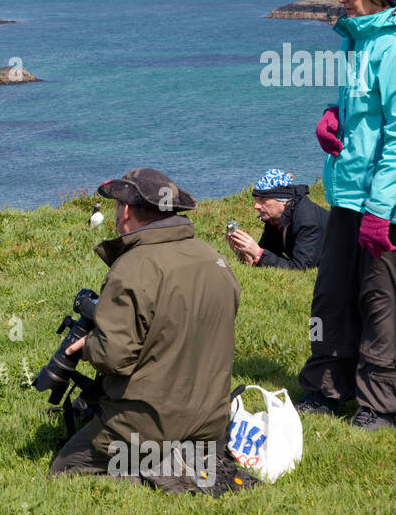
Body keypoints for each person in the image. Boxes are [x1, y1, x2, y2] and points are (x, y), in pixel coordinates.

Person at [297, 0, 396, 431]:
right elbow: (367, 113)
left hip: (391, 207)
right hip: (350, 196)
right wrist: (332, 117)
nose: (341, 0)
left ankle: (381, 404)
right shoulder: (360, 42)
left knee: (383, 303)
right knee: (332, 295)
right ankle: (326, 386)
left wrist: (381, 210)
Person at [49, 168, 253, 493]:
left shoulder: (133, 267)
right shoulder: (214, 260)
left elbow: (113, 356)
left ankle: (165, 469)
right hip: (212, 420)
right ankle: (194, 459)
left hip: (150, 424)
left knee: (66, 469)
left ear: (126, 211)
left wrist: (88, 346)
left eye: (117, 206)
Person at [227, 169, 330, 270]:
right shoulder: (275, 218)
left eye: (263, 200)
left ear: (283, 201)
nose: (256, 206)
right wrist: (246, 254)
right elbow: (270, 250)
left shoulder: (307, 221)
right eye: (256, 200)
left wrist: (258, 253)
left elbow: (302, 268)